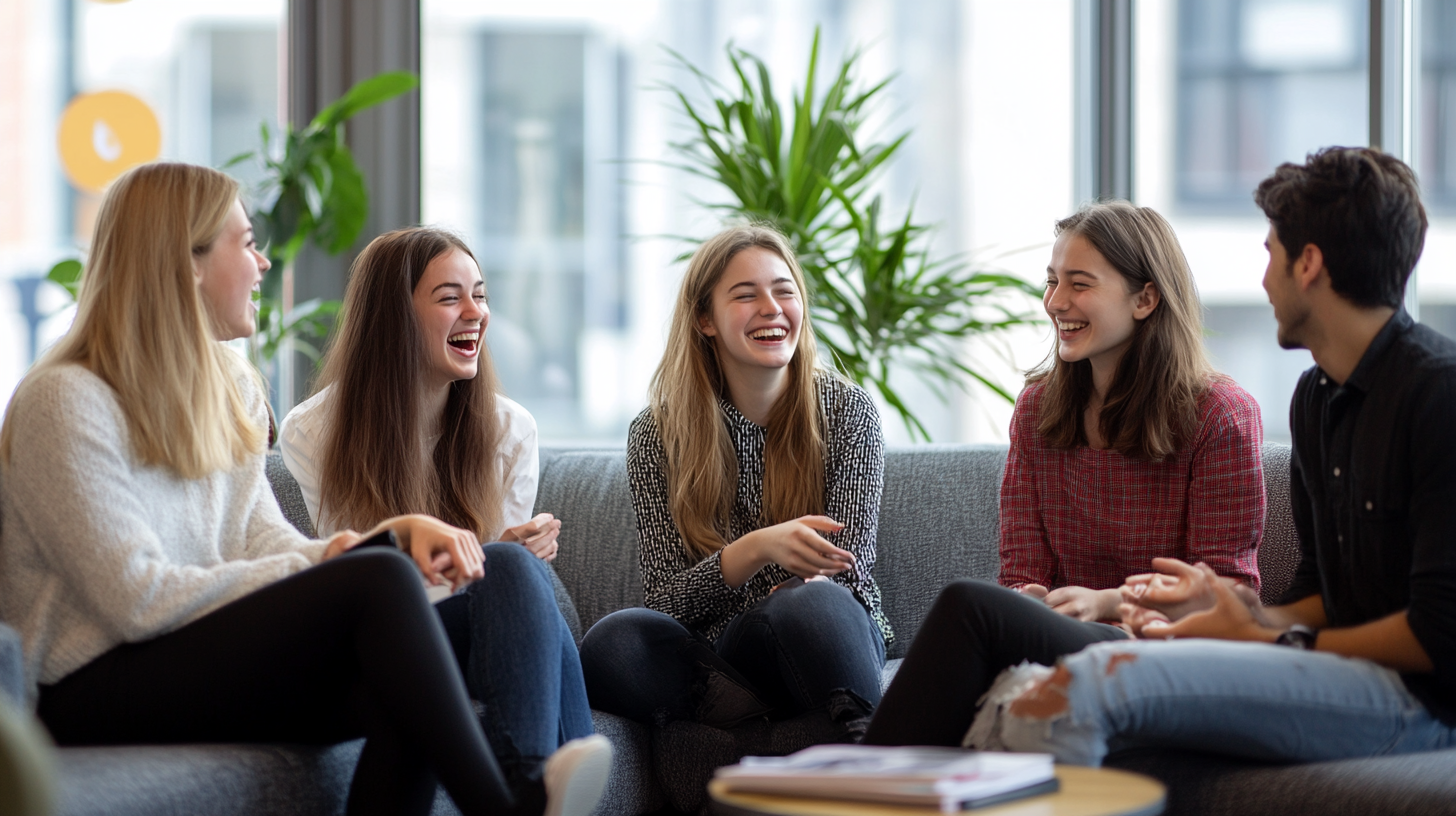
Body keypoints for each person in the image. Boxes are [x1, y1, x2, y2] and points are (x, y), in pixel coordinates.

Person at [0, 162, 609, 816]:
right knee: (380, 582)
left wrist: (377, 542)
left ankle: (524, 776)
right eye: (246, 243)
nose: (264, 263)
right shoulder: (65, 400)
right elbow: (137, 599)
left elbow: (263, 537)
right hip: (92, 682)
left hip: (198, 652)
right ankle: (511, 800)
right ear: (188, 265)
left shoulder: (226, 387)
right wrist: (364, 556)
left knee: (450, 631)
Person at [976, 146, 1456, 767]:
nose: (1263, 281)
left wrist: (1270, 635)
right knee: (1039, 668)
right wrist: (1241, 616)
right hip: (1335, 667)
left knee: (1096, 679)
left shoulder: (1437, 394)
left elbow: (1440, 631)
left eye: (1270, 256)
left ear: (1308, 264)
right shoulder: (1317, 397)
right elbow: (1324, 594)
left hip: (1424, 702)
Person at [863, 201, 1264, 747]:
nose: (1055, 303)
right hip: (1069, 639)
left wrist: (1112, 602)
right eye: (1052, 282)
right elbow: (1022, 570)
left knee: (967, 607)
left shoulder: (1220, 414)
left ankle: (862, 780)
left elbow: (1229, 595)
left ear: (1146, 298)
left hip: (1165, 651)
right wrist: (1028, 596)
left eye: (1079, 283)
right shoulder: (1037, 410)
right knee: (985, 612)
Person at [279, 227, 595, 794]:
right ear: (393, 317)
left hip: (497, 624)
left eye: (481, 294)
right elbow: (365, 578)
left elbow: (504, 599)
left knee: (522, 574)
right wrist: (499, 563)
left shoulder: (511, 429)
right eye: (450, 298)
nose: (476, 312)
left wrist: (510, 555)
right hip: (387, 635)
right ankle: (531, 790)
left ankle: (527, 788)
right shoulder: (315, 431)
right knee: (513, 571)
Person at [578, 224, 892, 735]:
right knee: (614, 642)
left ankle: (773, 742)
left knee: (810, 602)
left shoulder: (847, 411)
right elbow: (664, 603)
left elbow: (845, 573)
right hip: (721, 664)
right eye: (746, 296)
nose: (771, 307)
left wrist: (775, 581)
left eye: (784, 291)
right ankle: (796, 732)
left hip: (824, 634)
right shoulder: (657, 434)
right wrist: (756, 549)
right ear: (706, 319)